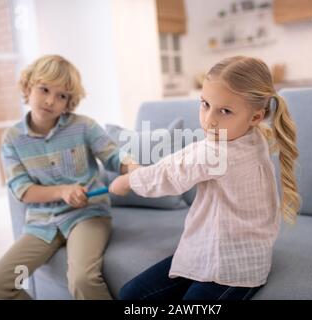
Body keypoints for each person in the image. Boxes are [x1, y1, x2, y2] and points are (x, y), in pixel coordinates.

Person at [110, 56, 301, 300]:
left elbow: (172, 173)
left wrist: (128, 181)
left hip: (235, 267)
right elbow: (185, 157)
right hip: (203, 250)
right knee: (131, 294)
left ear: (255, 116)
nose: (209, 119)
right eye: (205, 104)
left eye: (224, 111)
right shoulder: (247, 134)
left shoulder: (220, 152)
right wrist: (140, 172)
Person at [0, 54, 138, 300]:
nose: (50, 100)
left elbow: (114, 156)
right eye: (44, 89)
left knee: (82, 279)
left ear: (69, 101)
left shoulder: (84, 126)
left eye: (61, 95)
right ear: (28, 87)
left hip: (87, 216)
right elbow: (22, 190)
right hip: (41, 224)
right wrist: (63, 191)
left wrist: (133, 168)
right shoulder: (12, 139)